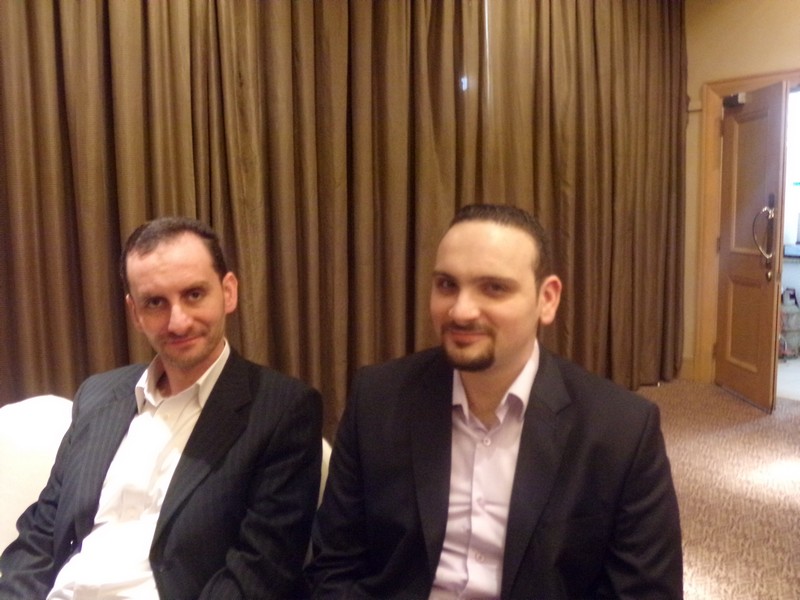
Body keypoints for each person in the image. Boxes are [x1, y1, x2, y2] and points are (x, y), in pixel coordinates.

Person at [306, 204, 683, 599]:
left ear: (547, 299)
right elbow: (333, 565)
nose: (461, 311)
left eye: (494, 288)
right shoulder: (378, 399)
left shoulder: (621, 430)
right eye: (447, 285)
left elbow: (646, 592)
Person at [0, 216, 323, 599]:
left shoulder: (282, 410)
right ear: (135, 312)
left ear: (228, 292)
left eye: (194, 294)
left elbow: (259, 571)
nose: (178, 322)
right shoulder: (98, 396)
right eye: (155, 302)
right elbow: (39, 535)